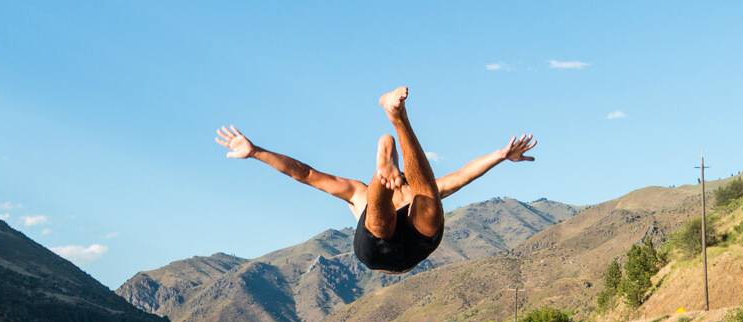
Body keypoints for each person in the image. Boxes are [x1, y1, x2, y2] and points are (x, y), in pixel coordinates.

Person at [214, 86, 537, 273]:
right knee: (383, 218)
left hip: (415, 245)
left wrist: (500, 155)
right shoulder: (356, 193)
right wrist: (256, 152)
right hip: (375, 249)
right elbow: (305, 173)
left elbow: (465, 175)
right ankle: (386, 158)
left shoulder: (402, 192)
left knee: (429, 203)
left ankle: (394, 129)